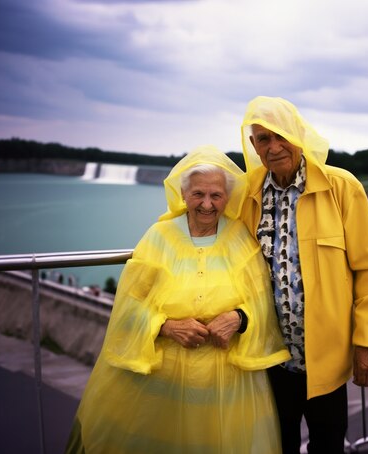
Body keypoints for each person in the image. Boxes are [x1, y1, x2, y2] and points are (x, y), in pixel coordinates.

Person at [65, 145, 290, 454]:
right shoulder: (159, 237)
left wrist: (239, 318)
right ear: (184, 195)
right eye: (198, 194)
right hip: (161, 389)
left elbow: (264, 303)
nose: (207, 205)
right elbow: (128, 308)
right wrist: (167, 326)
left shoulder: (240, 239)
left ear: (227, 197)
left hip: (226, 391)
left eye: (216, 195)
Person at [239, 96, 368, 453]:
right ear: (254, 146)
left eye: (282, 136)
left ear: (299, 135)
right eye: (263, 139)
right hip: (269, 359)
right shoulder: (247, 194)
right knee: (277, 446)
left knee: (327, 445)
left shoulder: (341, 187)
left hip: (324, 359)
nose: (274, 147)